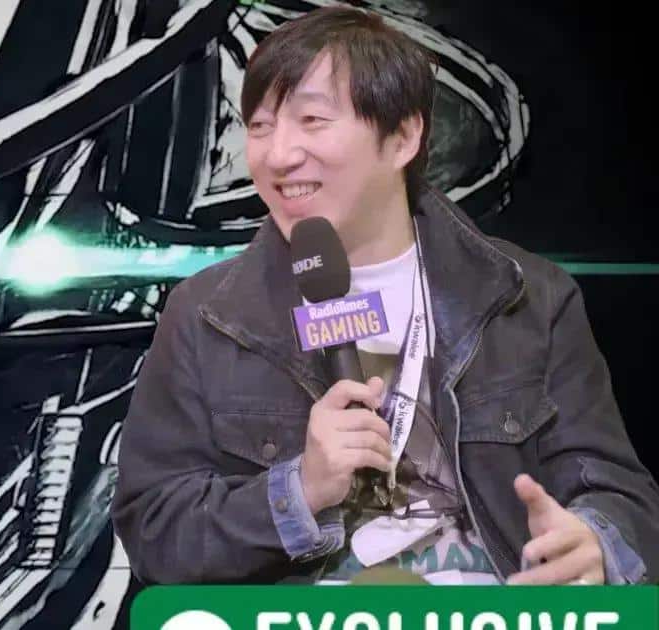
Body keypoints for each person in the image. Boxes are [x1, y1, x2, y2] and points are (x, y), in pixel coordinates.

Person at [110, 5, 659, 586]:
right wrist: (300, 490)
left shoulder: (530, 297)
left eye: (312, 120)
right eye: (261, 126)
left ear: (402, 137)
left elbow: (620, 492)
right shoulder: (206, 315)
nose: (277, 154)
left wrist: (595, 546)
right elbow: (155, 532)